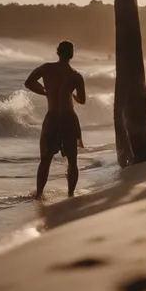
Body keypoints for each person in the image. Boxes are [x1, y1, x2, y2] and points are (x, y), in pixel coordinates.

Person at [24, 41, 86, 199]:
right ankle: (70, 194)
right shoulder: (75, 75)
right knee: (72, 160)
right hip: (68, 118)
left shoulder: (46, 68)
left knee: (46, 159)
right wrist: (71, 95)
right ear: (71, 55)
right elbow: (82, 99)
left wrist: (45, 92)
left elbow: (28, 83)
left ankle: (39, 194)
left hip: (52, 117)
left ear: (58, 52)